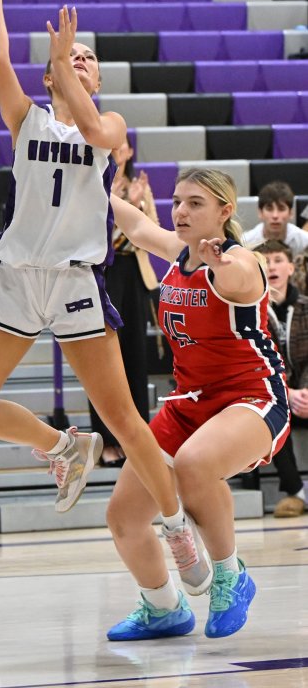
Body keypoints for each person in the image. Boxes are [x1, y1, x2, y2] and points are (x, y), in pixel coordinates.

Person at [0, 0, 210, 592]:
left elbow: (96, 127)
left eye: (90, 58)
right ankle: (62, 447)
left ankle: (177, 528)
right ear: (46, 76)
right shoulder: (26, 120)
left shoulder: (109, 125)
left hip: (74, 284)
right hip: (18, 279)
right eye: (72, 56)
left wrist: (71, 71)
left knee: (125, 419)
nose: (81, 60)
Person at [106, 167, 290, 640]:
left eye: (195, 203)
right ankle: (163, 606)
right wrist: (92, 189)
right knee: (124, 517)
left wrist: (220, 262)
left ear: (225, 212)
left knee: (194, 464)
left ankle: (230, 574)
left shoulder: (238, 262)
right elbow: (137, 226)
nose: (181, 211)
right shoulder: (177, 253)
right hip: (189, 403)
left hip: (252, 397)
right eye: (178, 201)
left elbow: (241, 273)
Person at [89, 139, 159, 466]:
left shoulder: (141, 187)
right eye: (113, 144)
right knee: (102, 359)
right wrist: (118, 202)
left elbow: (154, 234)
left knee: (135, 357)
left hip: (134, 274)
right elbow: (92, 234)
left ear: (130, 152)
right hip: (103, 272)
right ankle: (105, 440)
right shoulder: (90, 180)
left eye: (124, 145)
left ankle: (139, 441)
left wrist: (139, 206)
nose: (119, 149)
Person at [254, 240, 308, 518]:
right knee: (270, 417)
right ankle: (295, 491)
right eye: (266, 261)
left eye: (278, 260)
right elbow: (256, 362)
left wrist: (305, 390)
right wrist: (286, 392)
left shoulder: (306, 306)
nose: (272, 267)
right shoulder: (249, 310)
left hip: (305, 393)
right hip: (273, 395)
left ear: (290, 267)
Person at [243, 180, 308, 256]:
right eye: (269, 209)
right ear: (260, 212)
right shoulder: (245, 243)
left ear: (291, 213)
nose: (275, 215)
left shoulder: (305, 242)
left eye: (281, 209)